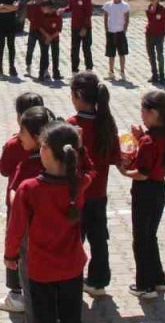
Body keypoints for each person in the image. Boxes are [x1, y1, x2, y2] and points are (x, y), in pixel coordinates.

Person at [4, 121, 89, 323]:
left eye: (42, 145)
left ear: (48, 152)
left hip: (42, 268)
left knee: (43, 317)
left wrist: (10, 255)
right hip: (72, 266)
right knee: (71, 317)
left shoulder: (29, 188)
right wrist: (82, 148)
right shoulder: (79, 183)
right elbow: (90, 170)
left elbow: (15, 228)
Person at [118, 91, 165, 299]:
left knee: (140, 239)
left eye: (143, 111)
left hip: (145, 191)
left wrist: (123, 170)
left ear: (153, 113)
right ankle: (158, 278)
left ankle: (145, 284)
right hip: (159, 188)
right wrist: (140, 136)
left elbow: (141, 174)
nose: (142, 115)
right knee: (150, 235)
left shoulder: (148, 142)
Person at [0, 105, 55, 315]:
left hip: (30, 238)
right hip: (54, 237)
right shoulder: (60, 163)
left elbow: (17, 206)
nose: (18, 136)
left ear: (37, 136)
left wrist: (15, 196)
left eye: (22, 132)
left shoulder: (27, 166)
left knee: (32, 288)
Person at [67, 73, 118, 298]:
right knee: (99, 238)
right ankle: (99, 280)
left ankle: (70, 276)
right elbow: (116, 156)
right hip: (99, 192)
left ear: (78, 95)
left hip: (77, 192)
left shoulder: (73, 125)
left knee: (74, 238)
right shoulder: (106, 122)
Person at [62, 0, 94, 74]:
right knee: (74, 49)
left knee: (86, 48)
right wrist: (63, 10)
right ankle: (74, 71)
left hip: (85, 27)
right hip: (74, 26)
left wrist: (85, 28)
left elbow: (88, 13)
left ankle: (89, 70)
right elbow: (70, 7)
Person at [103, 0, 132, 79]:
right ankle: (111, 72)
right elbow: (106, 18)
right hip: (111, 32)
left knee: (122, 53)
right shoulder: (108, 5)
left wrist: (124, 30)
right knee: (111, 54)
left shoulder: (125, 5)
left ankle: (122, 72)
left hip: (120, 32)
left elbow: (127, 19)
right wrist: (107, 30)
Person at [145, 0, 165, 85]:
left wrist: (163, 35)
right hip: (149, 35)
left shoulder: (163, 10)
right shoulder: (149, 9)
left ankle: (162, 76)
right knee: (151, 56)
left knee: (160, 56)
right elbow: (150, 21)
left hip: (159, 36)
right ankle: (154, 75)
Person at [24, 0, 47, 77]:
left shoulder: (47, 4)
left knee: (44, 51)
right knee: (30, 49)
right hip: (33, 30)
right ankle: (28, 67)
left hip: (45, 31)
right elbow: (30, 18)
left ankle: (45, 69)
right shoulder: (29, 5)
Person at [37, 0, 63, 82]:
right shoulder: (41, 14)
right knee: (44, 55)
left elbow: (58, 29)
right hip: (44, 38)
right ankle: (41, 73)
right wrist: (47, 36)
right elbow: (40, 27)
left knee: (55, 55)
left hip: (54, 38)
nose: (42, 9)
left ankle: (56, 73)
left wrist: (51, 37)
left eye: (44, 7)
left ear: (51, 8)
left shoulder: (58, 15)